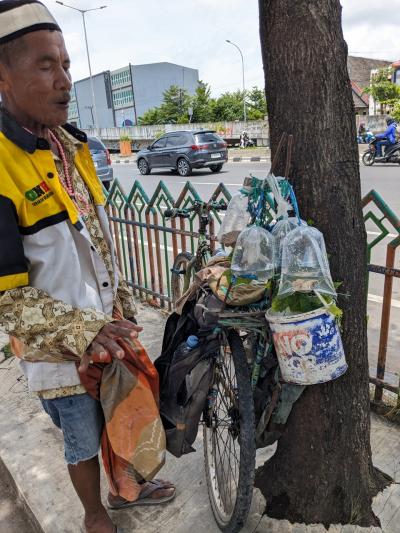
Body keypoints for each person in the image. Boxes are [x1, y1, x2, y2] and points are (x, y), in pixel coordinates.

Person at [0, 2, 174, 533]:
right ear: (2, 75)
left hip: (104, 328)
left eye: (68, 65)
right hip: (57, 351)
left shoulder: (70, 147)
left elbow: (93, 241)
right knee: (80, 437)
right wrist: (86, 328)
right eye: (46, 65)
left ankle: (127, 489)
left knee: (120, 413)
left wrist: (114, 307)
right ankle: (94, 515)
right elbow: (7, 300)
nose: (65, 80)